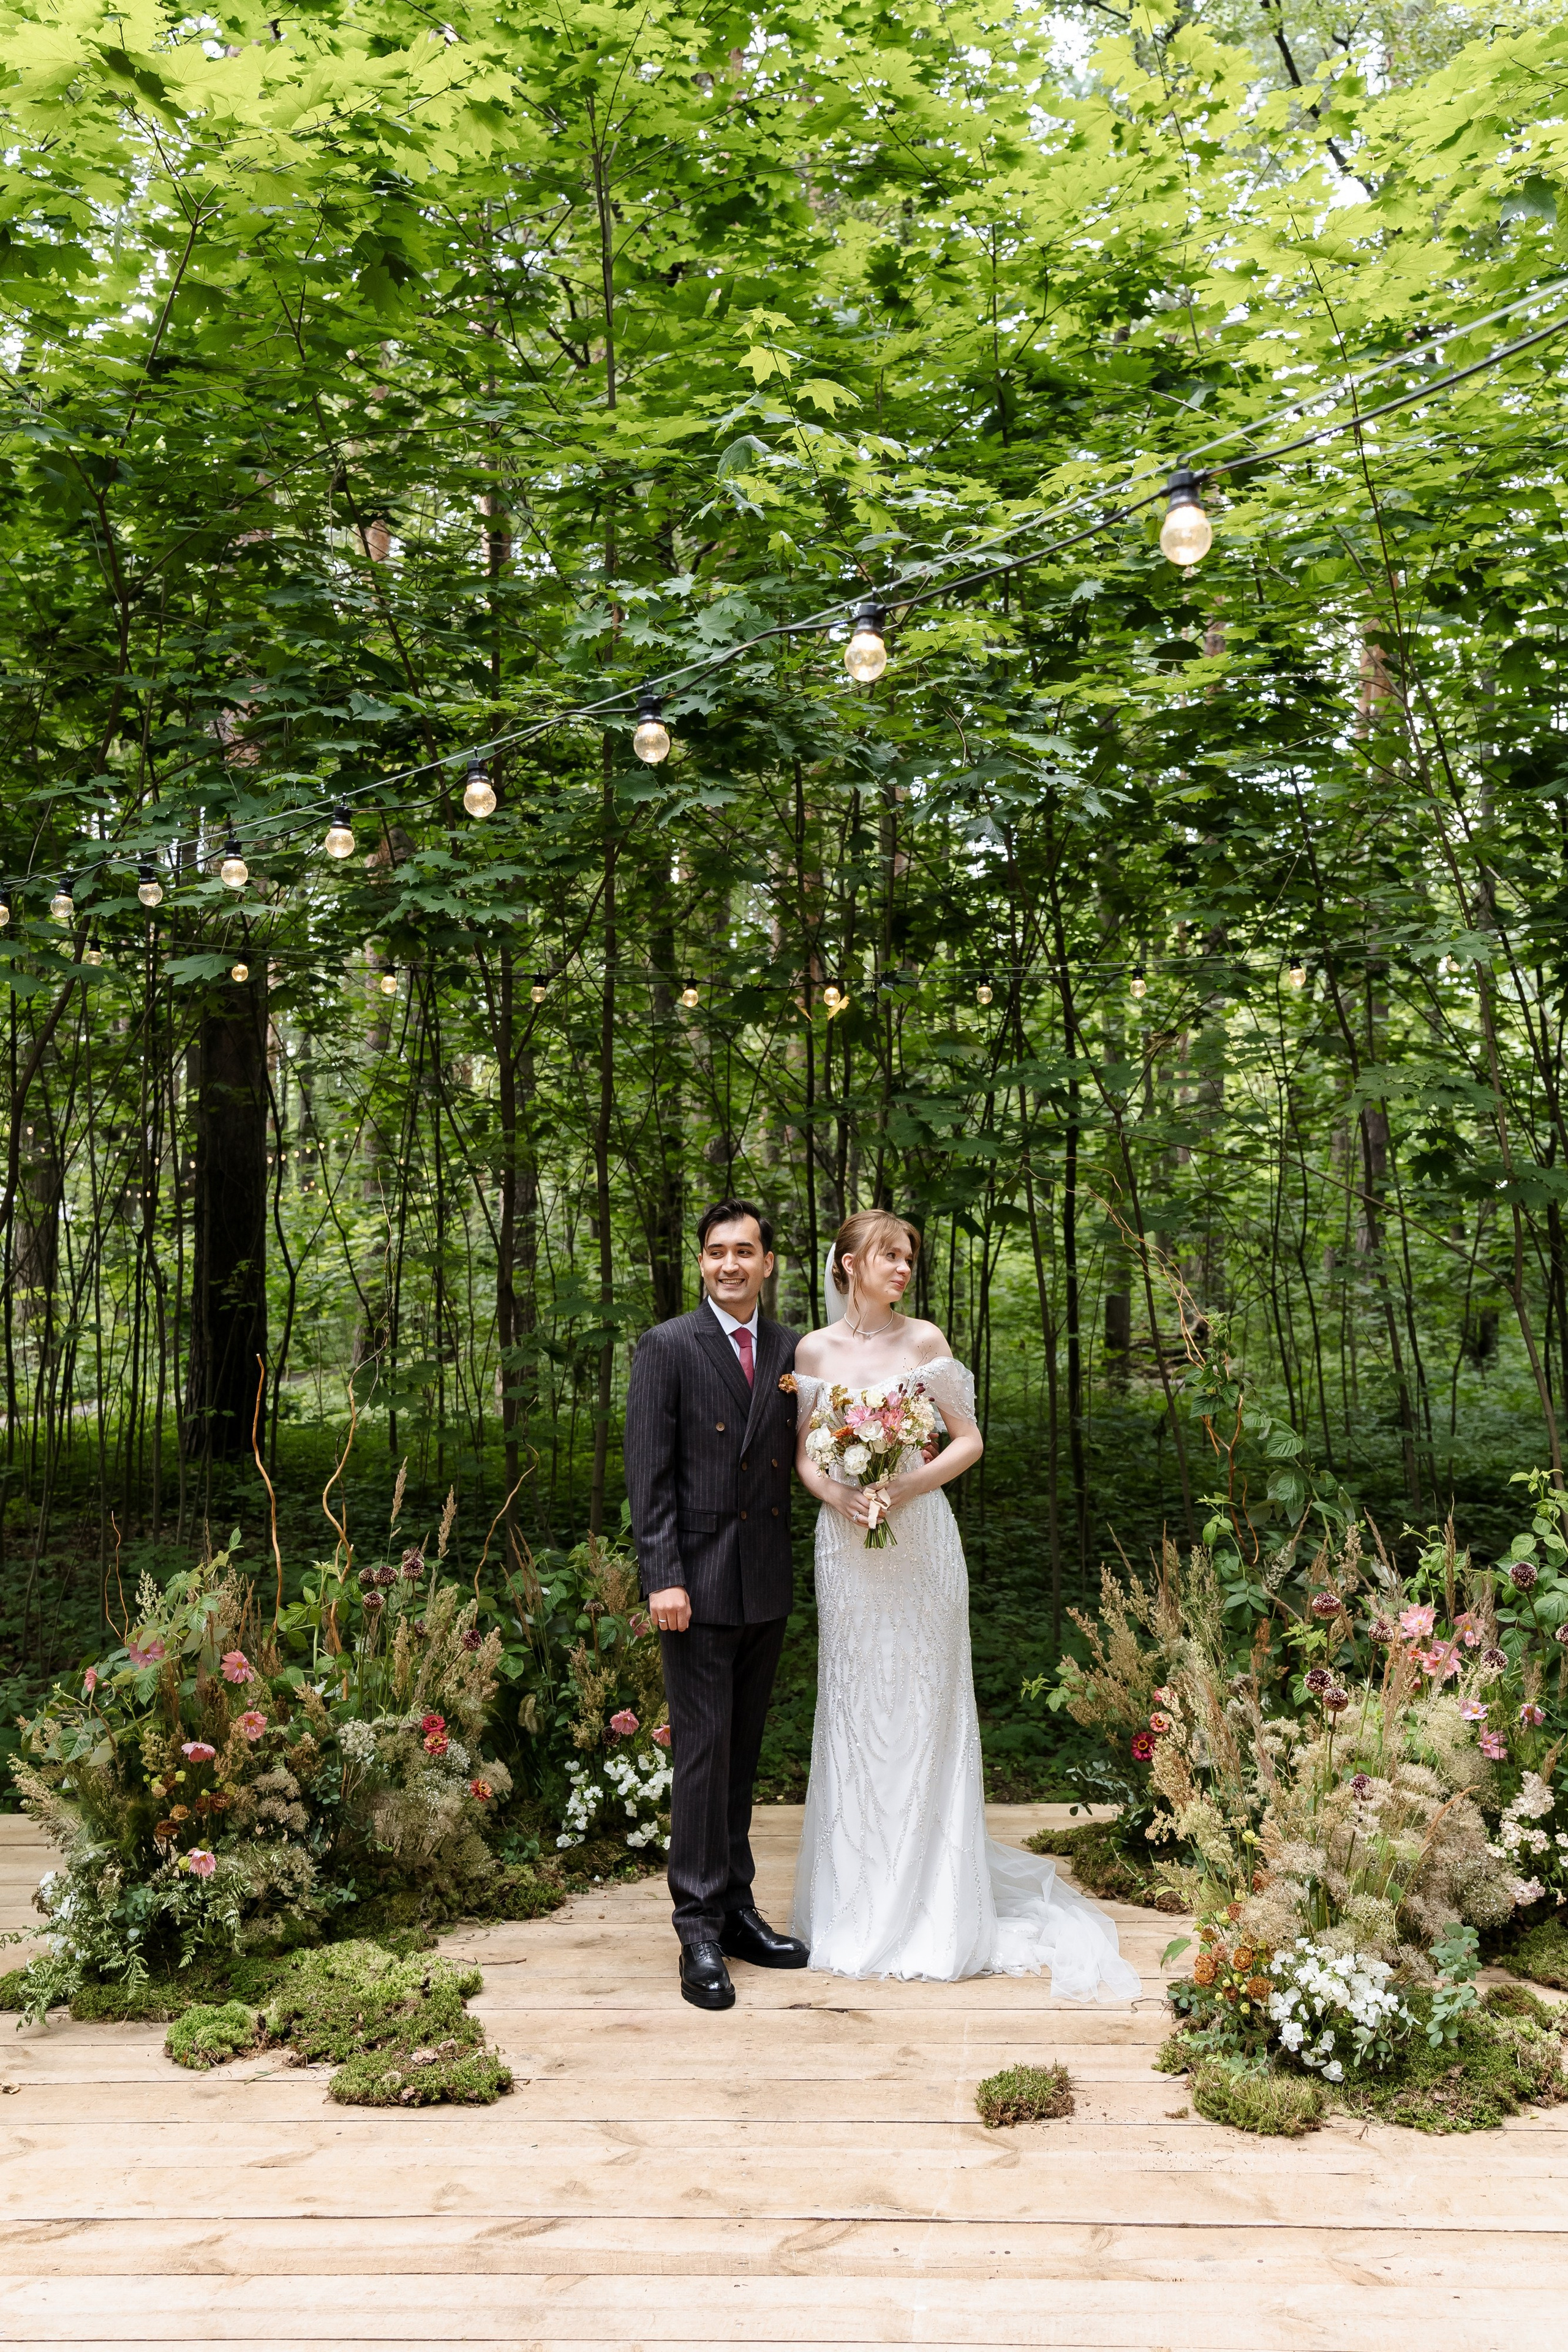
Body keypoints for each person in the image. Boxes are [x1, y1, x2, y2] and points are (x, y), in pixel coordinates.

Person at [790, 1208, 1140, 1997]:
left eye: (908, 1256)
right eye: (887, 1254)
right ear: (848, 1263)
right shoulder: (812, 1350)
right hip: (845, 1544)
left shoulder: (925, 1341)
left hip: (920, 1542)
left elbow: (968, 1439)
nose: (902, 1268)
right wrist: (840, 1494)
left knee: (925, 1704)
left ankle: (936, 1911)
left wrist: (903, 1485)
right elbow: (804, 1456)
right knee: (854, 1704)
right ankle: (854, 1910)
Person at [624, 1198, 810, 2010]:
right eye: (715, 1252)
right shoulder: (668, 1346)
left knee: (741, 1752)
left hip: (763, 1577)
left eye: (744, 1251)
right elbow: (649, 1471)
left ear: (768, 1263)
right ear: (701, 1262)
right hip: (693, 1584)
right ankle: (697, 1926)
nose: (729, 1264)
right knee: (702, 1753)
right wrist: (662, 1574)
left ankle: (736, 1909)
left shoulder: (795, 1349)